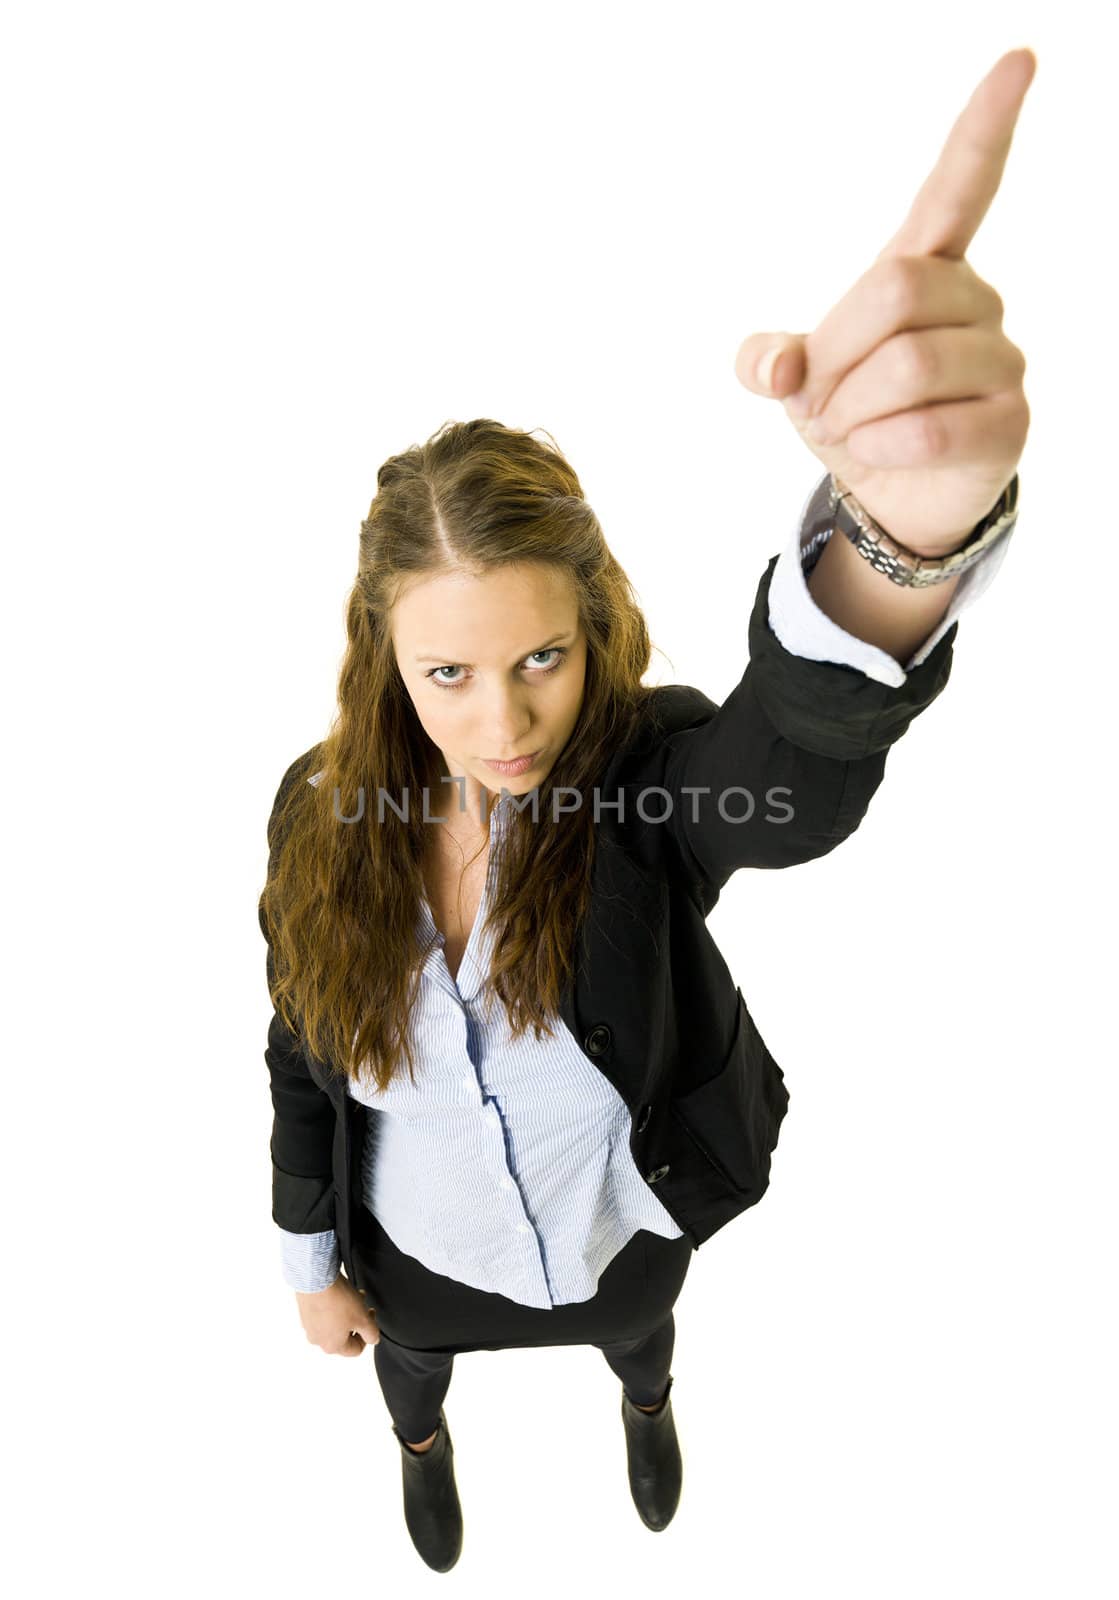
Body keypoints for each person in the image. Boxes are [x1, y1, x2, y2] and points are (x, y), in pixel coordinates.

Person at [259, 412, 1020, 1570]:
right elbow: (297, 1050)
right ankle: (422, 1447)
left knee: (644, 1339)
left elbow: (787, 780)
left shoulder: (641, 787)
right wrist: (312, 1268)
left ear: (592, 627)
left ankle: (649, 1407)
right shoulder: (321, 817)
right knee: (410, 1375)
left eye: (540, 660)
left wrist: (895, 542)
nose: (503, 726)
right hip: (420, 1261)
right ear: (385, 657)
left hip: (621, 1238)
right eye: (448, 673)